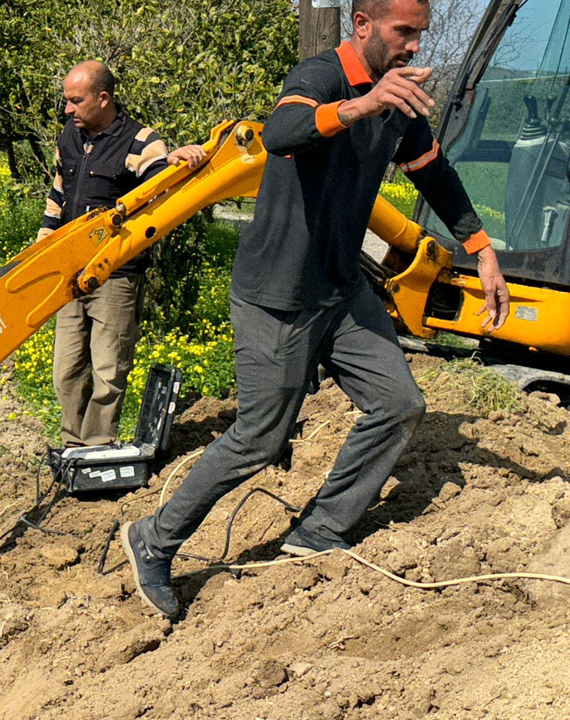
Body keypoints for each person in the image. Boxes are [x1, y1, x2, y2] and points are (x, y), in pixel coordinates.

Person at [119, 0, 511, 619]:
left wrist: (482, 250)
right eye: (403, 32)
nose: (414, 46)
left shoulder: (399, 99)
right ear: (363, 26)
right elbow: (282, 133)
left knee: (399, 403)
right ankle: (155, 538)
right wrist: (364, 103)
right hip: (278, 294)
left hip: (340, 287)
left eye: (420, 35)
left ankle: (318, 530)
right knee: (258, 437)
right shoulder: (320, 76)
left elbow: (434, 174)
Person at [41, 61, 206, 448]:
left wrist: (177, 161)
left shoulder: (142, 142)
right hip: (69, 270)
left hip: (116, 273)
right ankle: (72, 446)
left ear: (103, 98)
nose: (68, 110)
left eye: (75, 101)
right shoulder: (69, 136)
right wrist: (43, 247)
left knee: (108, 368)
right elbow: (58, 194)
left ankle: (96, 448)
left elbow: (162, 191)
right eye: (67, 101)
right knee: (66, 370)